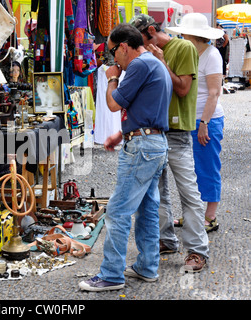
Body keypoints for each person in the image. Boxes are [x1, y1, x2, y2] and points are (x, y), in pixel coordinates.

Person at [79, 23, 172, 291]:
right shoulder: (152, 63)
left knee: (118, 211)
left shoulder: (140, 65)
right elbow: (146, 110)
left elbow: (113, 103)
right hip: (154, 143)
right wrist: (121, 135)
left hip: (144, 147)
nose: (112, 60)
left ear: (123, 46)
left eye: (112, 53)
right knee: (147, 209)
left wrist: (111, 77)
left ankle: (111, 274)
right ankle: (147, 267)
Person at [130, 14, 209, 272]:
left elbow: (183, 89)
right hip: (155, 133)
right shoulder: (148, 54)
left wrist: (161, 62)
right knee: (157, 195)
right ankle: (166, 240)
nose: (137, 45)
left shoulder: (182, 47)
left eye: (139, 39)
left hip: (177, 134)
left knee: (188, 193)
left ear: (152, 31)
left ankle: (197, 250)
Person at [165, 13, 225, 233]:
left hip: (206, 119)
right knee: (189, 170)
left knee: (208, 166)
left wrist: (204, 123)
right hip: (189, 119)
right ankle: (192, 213)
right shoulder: (187, 51)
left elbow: (214, 93)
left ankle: (210, 216)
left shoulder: (212, 55)